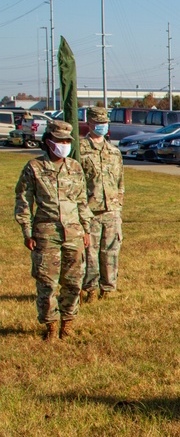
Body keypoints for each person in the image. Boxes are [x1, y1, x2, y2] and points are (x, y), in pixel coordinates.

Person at [14, 120, 93, 341]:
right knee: (47, 282)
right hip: (46, 233)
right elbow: (23, 200)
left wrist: (86, 229)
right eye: (60, 140)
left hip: (74, 233)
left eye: (67, 141)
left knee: (73, 281)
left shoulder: (75, 167)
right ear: (49, 141)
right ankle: (50, 326)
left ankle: (67, 323)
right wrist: (27, 232)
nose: (64, 144)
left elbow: (81, 201)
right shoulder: (34, 168)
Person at [79, 106, 125, 301]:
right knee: (90, 253)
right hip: (91, 210)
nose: (101, 126)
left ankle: (108, 288)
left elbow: (120, 181)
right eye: (98, 123)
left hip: (112, 210)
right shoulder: (80, 150)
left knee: (111, 251)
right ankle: (90, 289)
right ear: (89, 124)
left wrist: (118, 204)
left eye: (104, 123)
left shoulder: (113, 151)